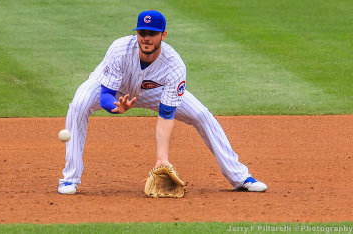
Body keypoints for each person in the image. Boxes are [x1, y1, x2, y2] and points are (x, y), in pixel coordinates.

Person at [58, 10, 267, 195]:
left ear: (163, 35)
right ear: (136, 34)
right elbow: (105, 94)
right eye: (142, 33)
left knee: (201, 115)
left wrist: (162, 159)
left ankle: (240, 177)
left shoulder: (174, 65)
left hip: (154, 91)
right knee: (79, 104)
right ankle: (70, 178)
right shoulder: (120, 49)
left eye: (152, 33)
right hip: (113, 89)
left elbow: (166, 115)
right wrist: (115, 107)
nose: (146, 38)